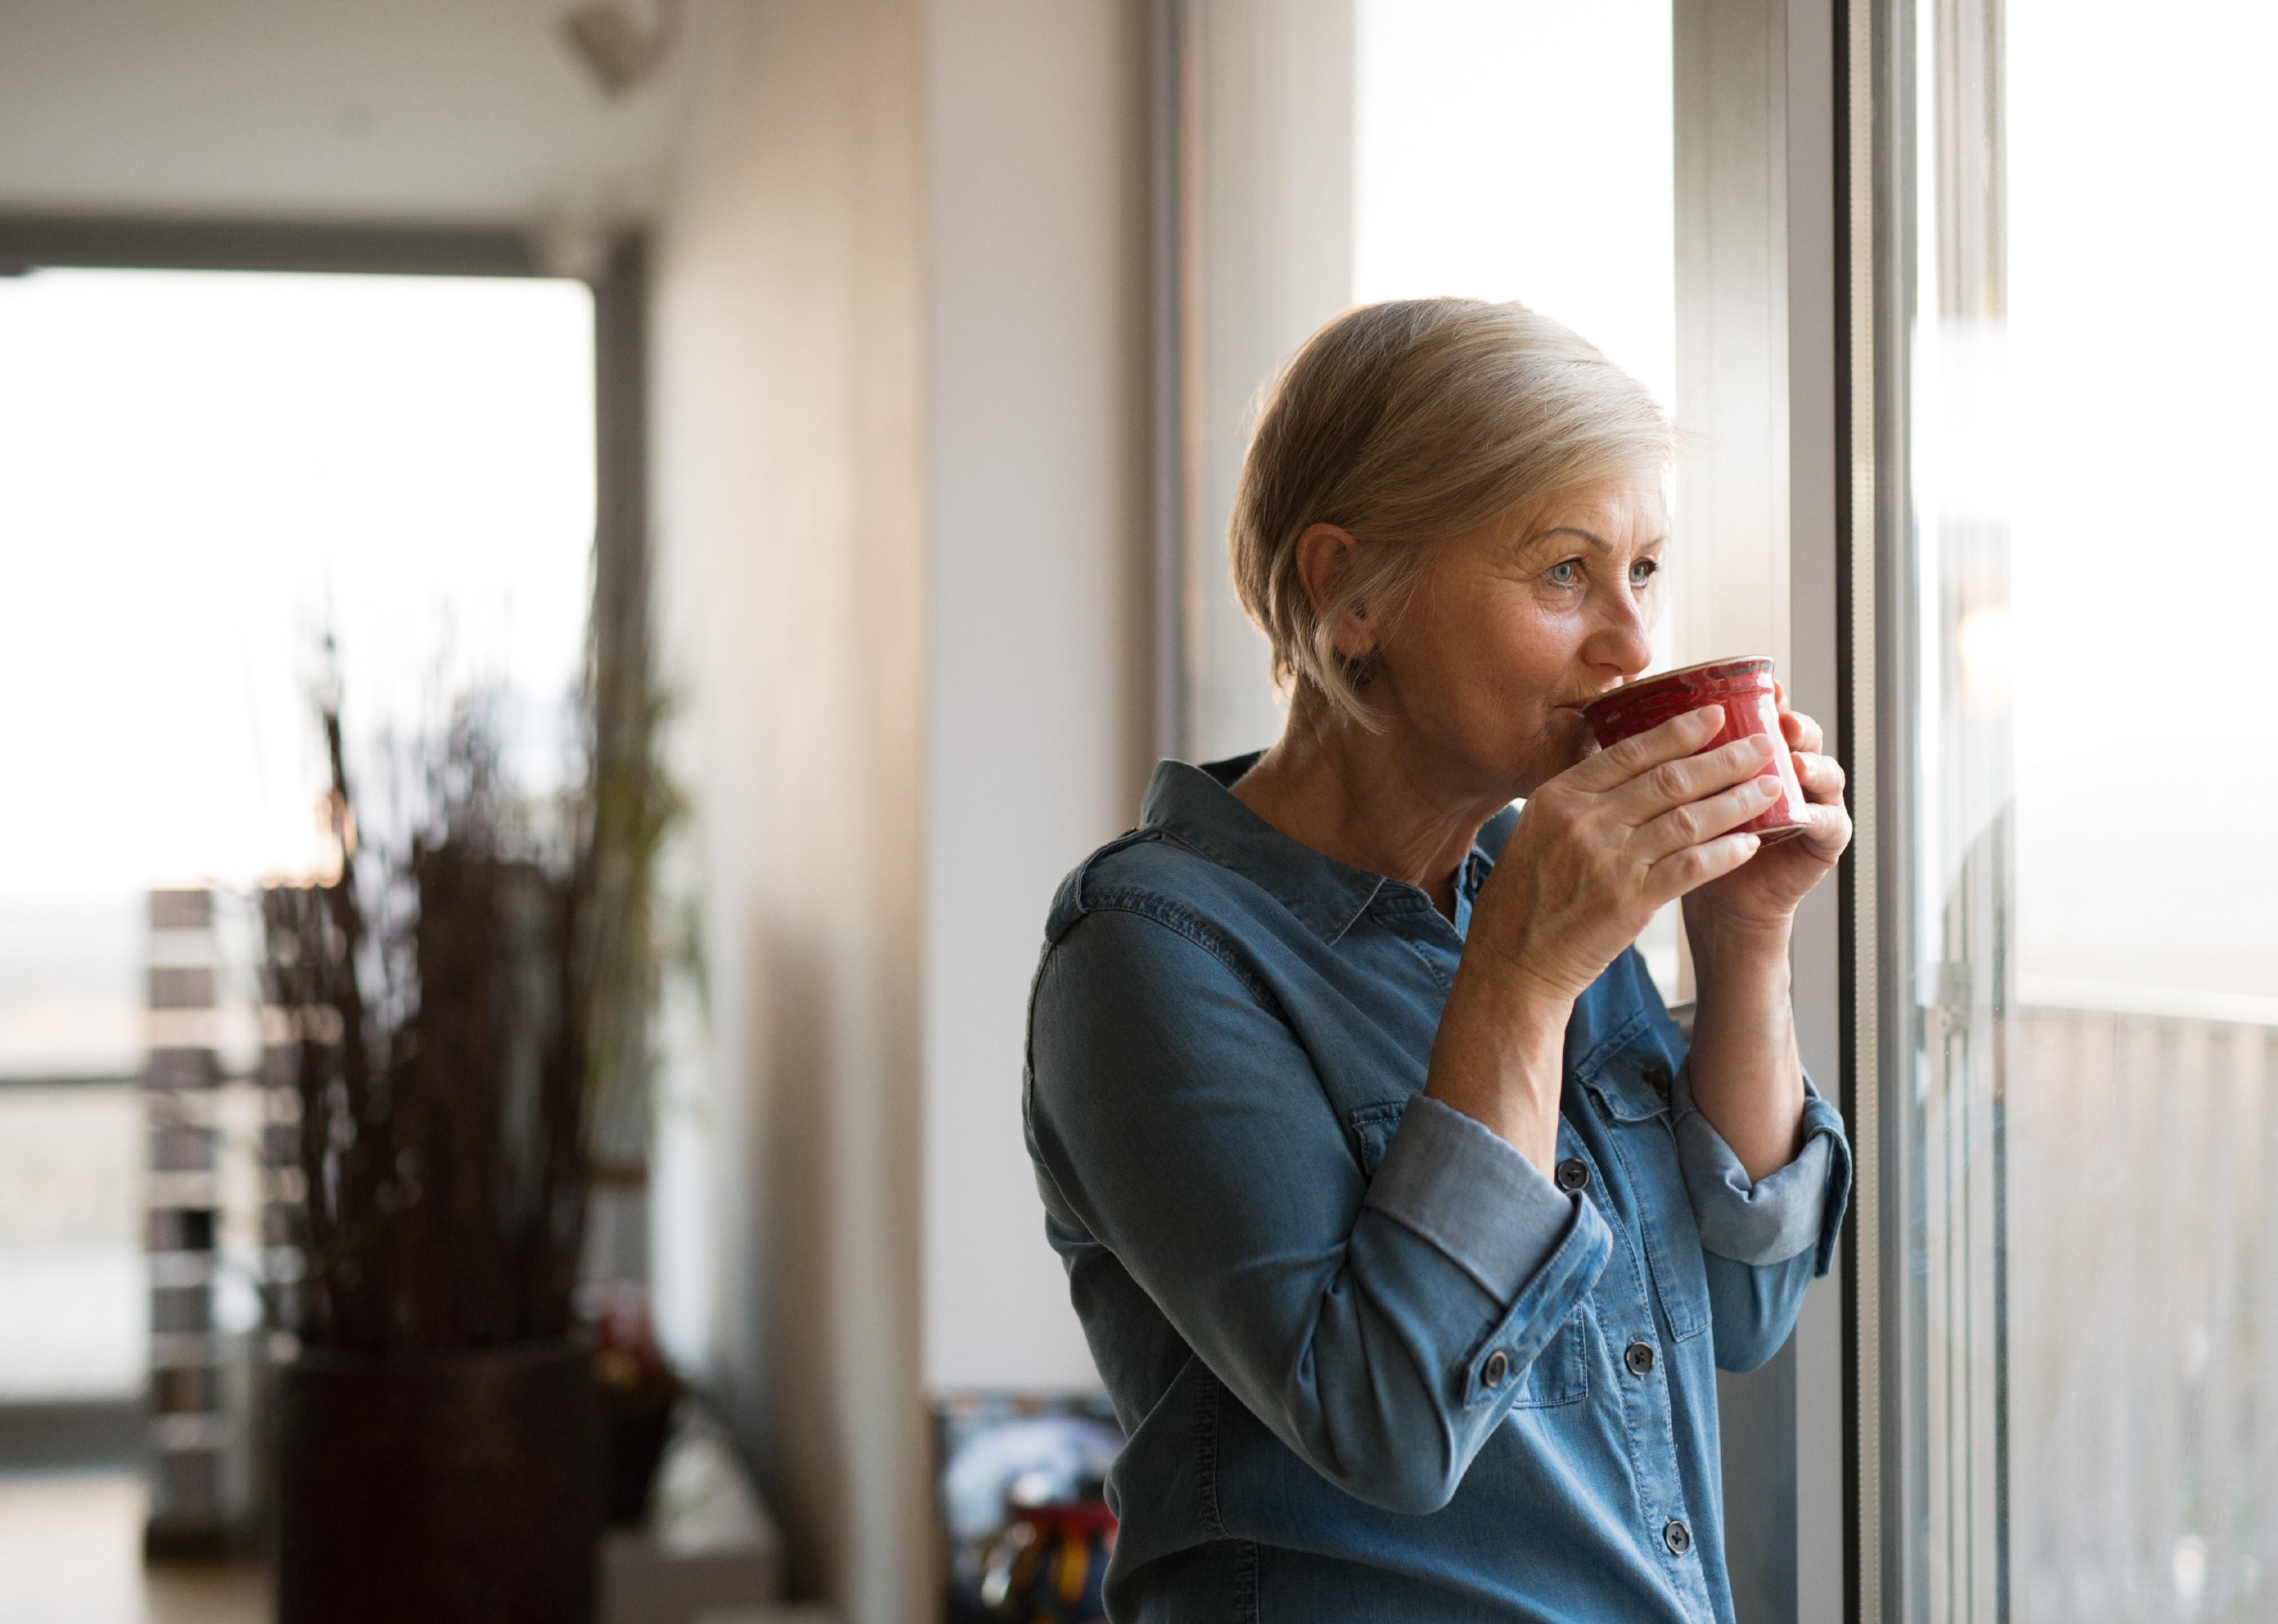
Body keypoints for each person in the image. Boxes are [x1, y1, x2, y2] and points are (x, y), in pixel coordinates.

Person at [1023, 298, 1854, 1623]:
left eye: (1642, 572)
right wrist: (1519, 986)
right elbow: (1392, 1427)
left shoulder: (1529, 885)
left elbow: (1742, 1307)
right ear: (1348, 594)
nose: (1631, 646)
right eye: (1561, 573)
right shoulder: (1150, 955)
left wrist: (1745, 939)